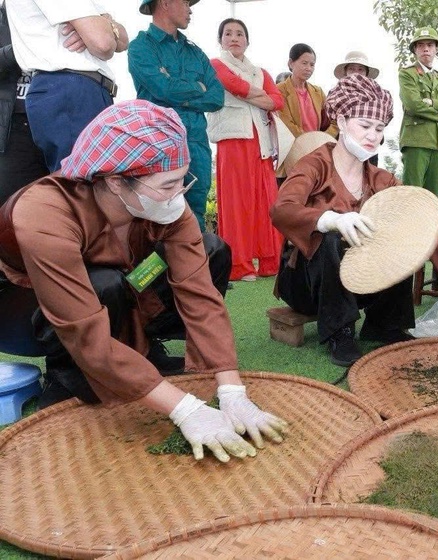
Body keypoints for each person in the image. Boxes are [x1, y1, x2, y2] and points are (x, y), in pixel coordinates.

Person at [0, 100, 288, 462]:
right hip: (29, 311)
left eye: (184, 179)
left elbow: (199, 294)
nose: (179, 195)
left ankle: (141, 352)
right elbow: (83, 329)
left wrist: (232, 391)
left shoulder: (163, 205)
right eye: (168, 184)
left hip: (125, 287)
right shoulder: (44, 211)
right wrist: (185, 409)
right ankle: (70, 374)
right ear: (117, 181)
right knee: (104, 284)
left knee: (212, 250)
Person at [270, 74, 438, 367]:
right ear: (342, 122)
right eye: (365, 125)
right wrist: (328, 219)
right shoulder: (315, 164)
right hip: (309, 285)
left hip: (362, 283)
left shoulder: (380, 179)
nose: (373, 135)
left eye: (380, 128)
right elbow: (281, 209)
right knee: (331, 238)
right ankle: (339, 332)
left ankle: (386, 324)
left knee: (401, 231)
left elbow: (417, 217)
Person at [129, 0, 224, 232]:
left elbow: (217, 97)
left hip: (196, 145)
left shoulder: (196, 52)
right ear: (165, 3)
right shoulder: (141, 47)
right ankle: (162, 269)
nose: (190, 9)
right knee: (156, 217)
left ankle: (194, 267)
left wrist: (176, 89)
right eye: (185, 2)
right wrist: (197, 88)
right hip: (159, 145)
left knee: (196, 214)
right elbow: (162, 88)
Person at [6, 0, 126, 171]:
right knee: (82, 185)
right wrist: (103, 28)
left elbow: (124, 41)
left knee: (87, 184)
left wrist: (105, 26)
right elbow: (104, 43)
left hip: (73, 89)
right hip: (70, 89)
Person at [208, 18, 284, 282]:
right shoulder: (216, 64)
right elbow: (234, 86)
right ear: (220, 40)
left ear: (247, 40)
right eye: (228, 33)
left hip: (261, 141)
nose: (234, 38)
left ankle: (269, 260)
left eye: (240, 33)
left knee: (267, 200)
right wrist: (260, 97)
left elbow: (278, 101)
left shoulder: (260, 71)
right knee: (236, 202)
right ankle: (239, 265)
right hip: (233, 139)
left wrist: (255, 96)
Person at [398, 26, 438, 197]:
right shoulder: (407, 74)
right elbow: (413, 105)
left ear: (436, 49)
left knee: (433, 196)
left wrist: (432, 102)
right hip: (416, 140)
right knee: (412, 195)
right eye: (421, 45)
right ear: (415, 50)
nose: (426, 48)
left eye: (430, 45)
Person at [0, 1, 48, 205]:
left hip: (54, 120)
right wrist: (22, 47)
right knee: (10, 207)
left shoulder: (60, 15)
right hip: (14, 128)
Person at [276, 43, 338, 139]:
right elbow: (287, 125)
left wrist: (324, 139)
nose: (309, 68)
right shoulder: (280, 90)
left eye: (312, 65)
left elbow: (334, 119)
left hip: (318, 147)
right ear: (290, 63)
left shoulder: (318, 92)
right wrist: (309, 142)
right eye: (304, 63)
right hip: (294, 148)